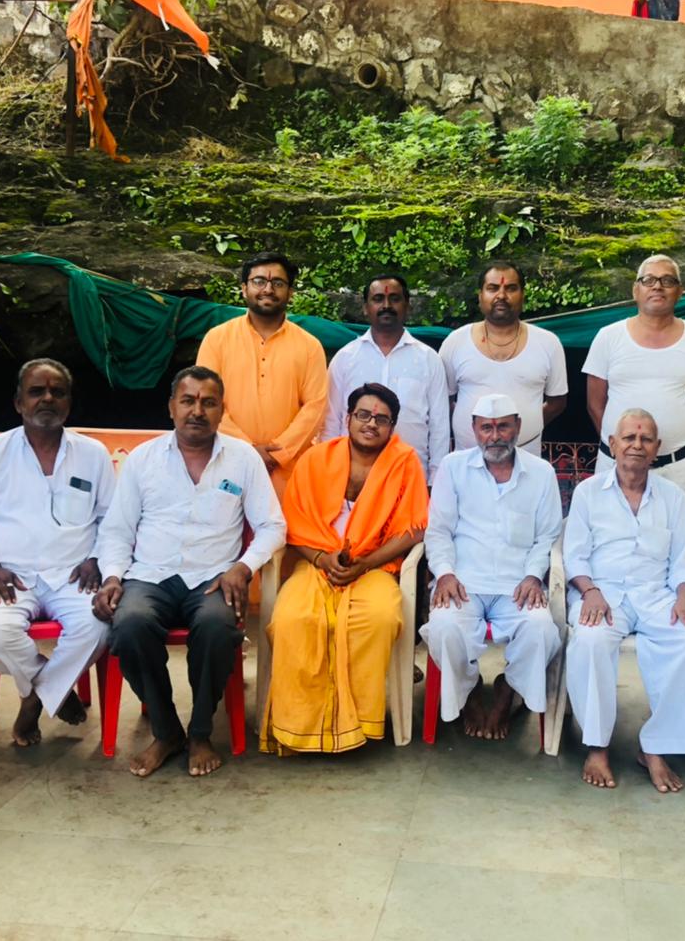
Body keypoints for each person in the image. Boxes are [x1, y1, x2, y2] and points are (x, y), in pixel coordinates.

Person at [94, 366, 285, 778]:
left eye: (208, 402)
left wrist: (243, 567)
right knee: (129, 625)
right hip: (150, 575)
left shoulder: (243, 459)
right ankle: (167, 733)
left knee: (218, 628)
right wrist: (112, 577)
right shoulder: (143, 459)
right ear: (171, 407)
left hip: (214, 578)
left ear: (221, 410)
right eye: (188, 401)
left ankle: (200, 733)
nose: (197, 411)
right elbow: (117, 530)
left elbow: (273, 525)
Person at [0, 358, 114, 748]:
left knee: (101, 625)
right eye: (36, 391)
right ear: (18, 402)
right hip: (8, 576)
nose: (47, 399)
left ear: (69, 402)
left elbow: (112, 519)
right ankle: (51, 688)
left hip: (73, 576)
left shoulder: (93, 454)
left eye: (58, 392)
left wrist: (97, 558)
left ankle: (35, 699)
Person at [262, 383, 429, 754]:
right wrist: (322, 559)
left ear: (392, 426)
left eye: (381, 419)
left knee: (379, 618)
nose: (371, 424)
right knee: (291, 619)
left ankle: (357, 723)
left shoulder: (404, 463)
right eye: (364, 415)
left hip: (376, 566)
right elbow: (293, 524)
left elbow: (414, 529)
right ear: (349, 418)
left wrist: (365, 563)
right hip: (317, 564)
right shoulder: (315, 459)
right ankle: (301, 724)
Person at [564, 409, 685, 793]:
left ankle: (656, 746)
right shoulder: (588, 493)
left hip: (656, 595)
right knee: (590, 640)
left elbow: (682, 559)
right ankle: (597, 745)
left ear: (657, 448)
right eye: (629, 438)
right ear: (613, 444)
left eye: (646, 439)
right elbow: (574, 555)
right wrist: (590, 591)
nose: (637, 445)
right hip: (602, 594)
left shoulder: (672, 497)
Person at [421, 393, 563, 740]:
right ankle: (468, 692)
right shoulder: (453, 467)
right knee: (444, 627)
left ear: (518, 427)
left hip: (518, 585)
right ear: (474, 430)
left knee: (541, 630)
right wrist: (445, 573)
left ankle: (506, 692)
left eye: (503, 427)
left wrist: (533, 575)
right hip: (463, 583)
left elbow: (547, 536)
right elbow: (438, 531)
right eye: (487, 428)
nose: (495, 436)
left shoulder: (541, 473)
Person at [584, 254, 685, 501]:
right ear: (635, 290)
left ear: (680, 292)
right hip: (614, 464)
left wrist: (672, 445)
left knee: (673, 527)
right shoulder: (608, 337)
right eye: (649, 280)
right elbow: (594, 404)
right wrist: (624, 449)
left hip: (674, 468)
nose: (657, 286)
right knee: (608, 524)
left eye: (667, 280)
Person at [196, 251, 327, 495]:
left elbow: (315, 407)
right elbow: (205, 400)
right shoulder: (217, 339)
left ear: (290, 292)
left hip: (288, 471)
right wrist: (247, 450)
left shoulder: (310, 346)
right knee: (224, 520)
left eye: (278, 283)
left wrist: (279, 453)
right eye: (259, 281)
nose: (268, 289)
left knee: (283, 521)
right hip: (227, 462)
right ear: (244, 289)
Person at [325, 273, 450, 484]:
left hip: (410, 478)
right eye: (378, 299)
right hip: (351, 479)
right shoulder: (345, 358)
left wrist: (435, 483)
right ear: (365, 308)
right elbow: (331, 422)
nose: (386, 305)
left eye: (394, 298)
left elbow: (440, 428)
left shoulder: (428, 359)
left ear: (407, 306)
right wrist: (329, 473)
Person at [439, 261, 567, 456]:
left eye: (511, 288)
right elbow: (442, 400)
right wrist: (471, 425)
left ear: (523, 295)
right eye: (492, 288)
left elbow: (557, 402)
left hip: (526, 458)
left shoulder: (548, 343)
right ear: (480, 296)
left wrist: (525, 424)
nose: (501, 296)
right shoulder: (456, 341)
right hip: (467, 459)